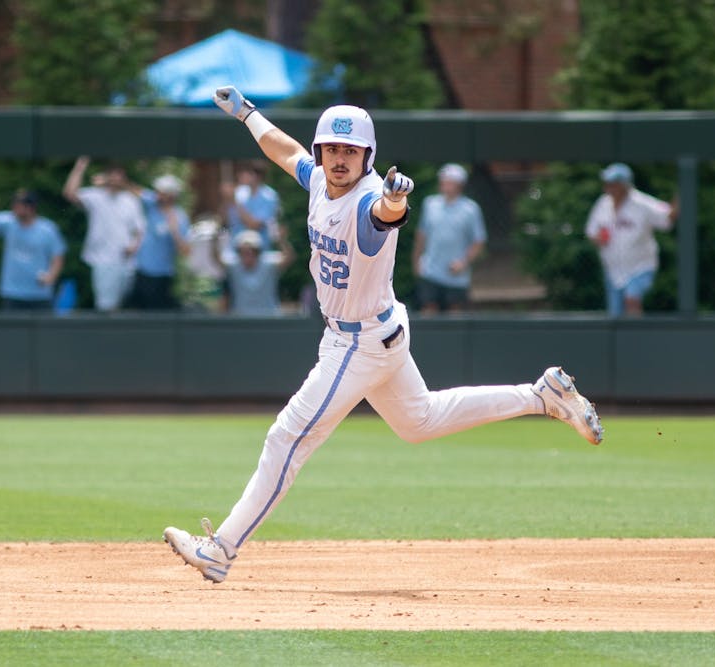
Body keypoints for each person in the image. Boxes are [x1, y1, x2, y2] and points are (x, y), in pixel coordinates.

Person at [163, 86, 604, 584]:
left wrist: (395, 199)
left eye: (351, 151)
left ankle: (221, 549)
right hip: (378, 330)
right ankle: (540, 396)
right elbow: (285, 151)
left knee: (287, 435)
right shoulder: (318, 181)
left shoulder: (369, 199)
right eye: (332, 148)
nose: (339, 159)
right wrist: (247, 114)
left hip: (359, 344)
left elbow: (384, 216)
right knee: (420, 421)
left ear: (367, 156)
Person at [585, 162, 677, 317]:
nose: (608, 186)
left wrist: (683, 193)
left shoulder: (642, 203)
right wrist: (598, 238)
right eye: (607, 182)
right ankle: (625, 340)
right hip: (613, 271)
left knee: (631, 299)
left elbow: (667, 217)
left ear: (624, 185)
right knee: (615, 317)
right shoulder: (603, 203)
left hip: (640, 267)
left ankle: (636, 338)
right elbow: (591, 231)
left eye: (613, 183)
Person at [63, 157, 145, 312]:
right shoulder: (94, 196)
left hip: (126, 261)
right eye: (112, 175)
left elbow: (139, 229)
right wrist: (80, 167)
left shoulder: (131, 200)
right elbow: (70, 194)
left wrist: (134, 246)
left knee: (121, 303)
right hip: (103, 259)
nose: (115, 179)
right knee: (105, 305)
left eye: (119, 175)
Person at [412, 163, 487, 314]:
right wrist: (417, 261)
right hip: (430, 271)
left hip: (457, 276)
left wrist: (463, 263)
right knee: (428, 310)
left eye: (449, 182)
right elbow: (422, 235)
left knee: (455, 314)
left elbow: (479, 241)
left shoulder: (471, 209)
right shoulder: (430, 204)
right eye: (443, 181)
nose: (445, 185)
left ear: (459, 185)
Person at [0, 189, 66, 312]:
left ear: (32, 207)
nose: (16, 208)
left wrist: (51, 276)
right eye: (15, 204)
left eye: (21, 205)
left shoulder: (48, 229)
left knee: (43, 331)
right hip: (12, 293)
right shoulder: (9, 222)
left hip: (39, 295)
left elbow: (58, 256)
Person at [125, 174, 191, 310]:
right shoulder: (152, 203)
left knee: (155, 316)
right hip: (141, 270)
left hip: (161, 276)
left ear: (171, 195)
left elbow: (186, 251)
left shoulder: (180, 217)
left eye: (161, 192)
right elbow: (134, 190)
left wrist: (175, 232)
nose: (157, 194)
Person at [222, 227, 294, 316]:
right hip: (241, 318)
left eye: (251, 251)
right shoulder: (233, 266)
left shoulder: (269, 264)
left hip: (268, 317)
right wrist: (214, 239)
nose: (247, 255)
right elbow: (216, 258)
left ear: (257, 252)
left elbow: (288, 258)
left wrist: (282, 240)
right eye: (243, 252)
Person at [222, 160, 281, 252]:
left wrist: (234, 201)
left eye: (246, 173)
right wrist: (226, 200)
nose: (241, 176)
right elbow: (226, 221)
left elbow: (254, 225)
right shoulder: (239, 192)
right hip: (235, 248)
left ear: (257, 176)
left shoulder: (270, 196)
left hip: (260, 251)